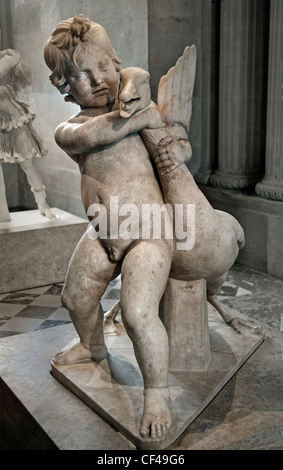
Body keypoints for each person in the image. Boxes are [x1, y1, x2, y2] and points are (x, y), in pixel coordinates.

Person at [44, 14, 187, 440]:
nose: (98, 80)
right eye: (82, 75)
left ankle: (157, 391)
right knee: (74, 298)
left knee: (139, 313)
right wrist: (138, 116)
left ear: (116, 62)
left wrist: (136, 92)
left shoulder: (134, 98)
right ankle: (93, 345)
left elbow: (140, 77)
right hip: (104, 230)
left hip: (148, 229)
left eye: (104, 66)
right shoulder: (69, 129)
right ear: (64, 85)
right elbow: (93, 136)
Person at [0, 48, 57, 221]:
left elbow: (23, 81)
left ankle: (42, 204)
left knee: (27, 165)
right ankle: (2, 214)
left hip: (12, 117)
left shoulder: (9, 58)